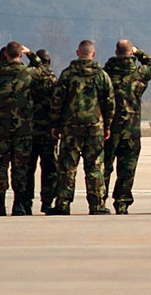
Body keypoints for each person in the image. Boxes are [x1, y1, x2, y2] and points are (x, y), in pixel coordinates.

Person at [48, 40, 114, 215]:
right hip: (95, 128)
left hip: (71, 129)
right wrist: (107, 125)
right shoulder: (102, 76)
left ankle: (63, 204)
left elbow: (57, 102)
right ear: (93, 54)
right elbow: (110, 103)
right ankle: (97, 205)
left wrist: (55, 124)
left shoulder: (67, 75)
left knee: (67, 167)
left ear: (78, 53)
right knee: (94, 167)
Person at [0, 41, 41, 216]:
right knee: (21, 168)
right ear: (20, 55)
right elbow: (44, 71)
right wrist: (31, 54)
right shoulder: (29, 75)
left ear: (5, 55)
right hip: (23, 130)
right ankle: (20, 205)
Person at [103, 39, 151, 215]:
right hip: (131, 128)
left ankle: (99, 200)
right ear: (130, 52)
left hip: (109, 128)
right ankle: (122, 203)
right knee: (127, 168)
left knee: (104, 166)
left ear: (116, 52)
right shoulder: (139, 72)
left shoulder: (106, 73)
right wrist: (138, 51)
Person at [25, 49, 58, 214]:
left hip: (28, 131)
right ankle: (47, 202)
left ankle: (26, 203)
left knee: (27, 169)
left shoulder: (24, 77)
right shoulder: (51, 79)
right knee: (50, 169)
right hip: (48, 132)